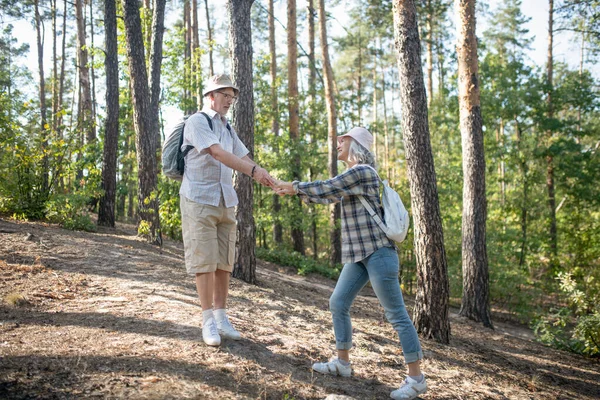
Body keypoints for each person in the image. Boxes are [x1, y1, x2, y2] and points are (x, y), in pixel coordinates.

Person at [273, 127, 427, 400]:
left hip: (379, 252)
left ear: (355, 144)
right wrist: (294, 192)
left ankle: (416, 380)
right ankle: (343, 363)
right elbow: (328, 195)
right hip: (359, 255)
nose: (337, 142)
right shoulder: (352, 177)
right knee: (338, 302)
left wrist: (295, 186)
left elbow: (329, 187)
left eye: (343, 139)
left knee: (397, 315)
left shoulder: (363, 172)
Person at [180, 73, 274, 347]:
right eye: (224, 95)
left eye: (232, 96)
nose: (229, 100)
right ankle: (207, 319)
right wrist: (254, 171)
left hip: (225, 200)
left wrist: (265, 176)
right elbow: (218, 153)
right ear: (210, 96)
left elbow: (242, 156)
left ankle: (221, 317)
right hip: (199, 198)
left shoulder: (227, 127)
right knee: (204, 262)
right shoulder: (198, 121)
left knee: (223, 263)